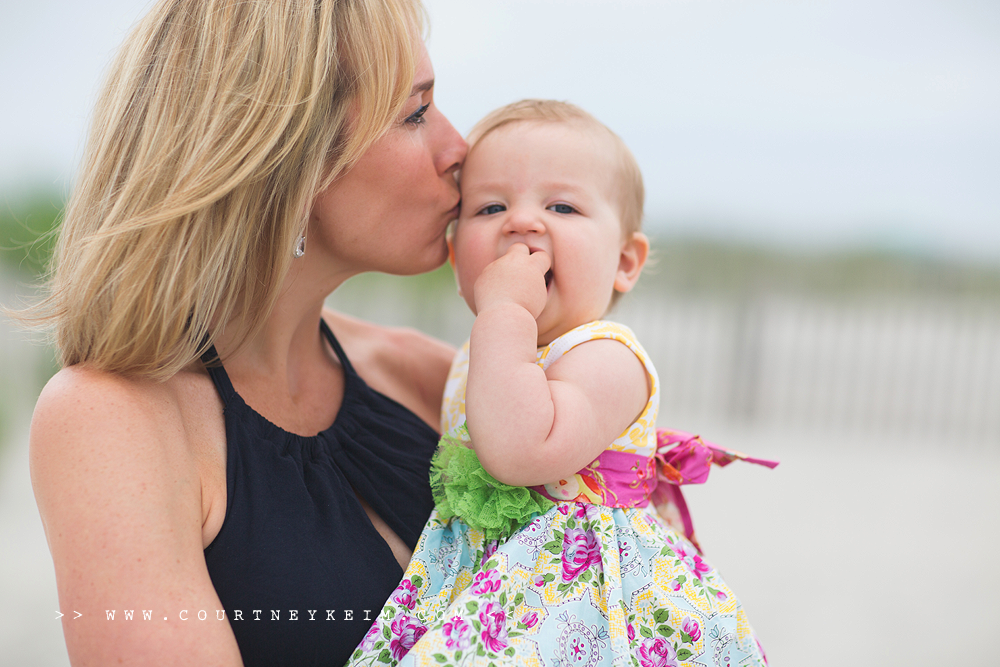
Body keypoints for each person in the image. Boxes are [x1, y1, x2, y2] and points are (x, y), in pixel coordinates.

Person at [21, 0, 468, 665]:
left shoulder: (434, 379)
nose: (458, 146)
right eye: (415, 113)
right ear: (286, 157)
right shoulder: (112, 421)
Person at [346, 100, 773, 666]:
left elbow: (521, 450)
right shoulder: (489, 351)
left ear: (625, 261)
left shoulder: (608, 357)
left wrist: (504, 314)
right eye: (491, 206)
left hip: (579, 605)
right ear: (455, 258)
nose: (523, 222)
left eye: (563, 206)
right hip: (480, 584)